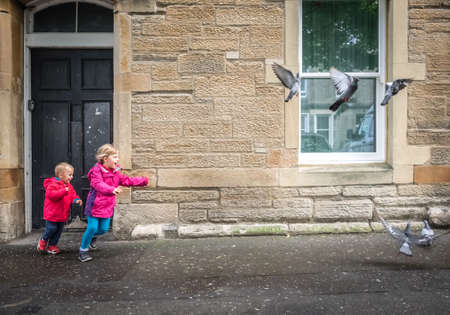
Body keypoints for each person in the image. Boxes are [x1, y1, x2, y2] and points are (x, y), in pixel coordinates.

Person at [79, 144, 148, 262]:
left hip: (107, 206)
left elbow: (126, 180)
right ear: (105, 159)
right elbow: (98, 184)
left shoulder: (115, 172)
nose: (117, 160)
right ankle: (83, 251)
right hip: (94, 205)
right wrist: (111, 189)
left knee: (103, 229)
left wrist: (142, 181)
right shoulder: (96, 171)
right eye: (115, 157)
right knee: (92, 227)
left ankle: (91, 238)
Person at [37, 162, 82, 255]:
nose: (71, 177)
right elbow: (52, 195)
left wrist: (76, 200)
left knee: (58, 231)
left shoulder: (69, 186)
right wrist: (63, 191)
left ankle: (52, 245)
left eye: (72, 175)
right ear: (61, 175)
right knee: (51, 229)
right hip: (52, 213)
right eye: (69, 175)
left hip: (62, 214)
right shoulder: (52, 184)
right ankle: (43, 240)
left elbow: (73, 195)